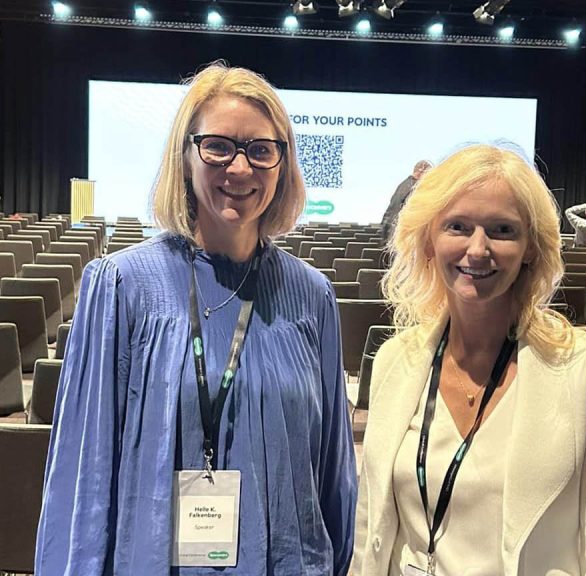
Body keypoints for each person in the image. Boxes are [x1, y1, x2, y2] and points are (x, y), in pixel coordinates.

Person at [36, 62, 357, 575]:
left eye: (261, 150)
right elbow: (84, 474)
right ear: (186, 156)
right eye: (218, 146)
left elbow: (334, 471)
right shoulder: (121, 287)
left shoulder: (311, 296)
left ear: (282, 164)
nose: (240, 168)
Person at [354, 145, 586, 576]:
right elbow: (371, 528)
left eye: (502, 230)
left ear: (530, 247)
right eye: (457, 226)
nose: (477, 249)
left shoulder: (584, 367)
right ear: (430, 238)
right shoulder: (397, 359)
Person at [381, 160, 433, 243]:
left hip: (390, 234)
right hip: (401, 237)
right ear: (422, 170)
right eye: (429, 174)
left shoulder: (403, 185)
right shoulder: (415, 188)